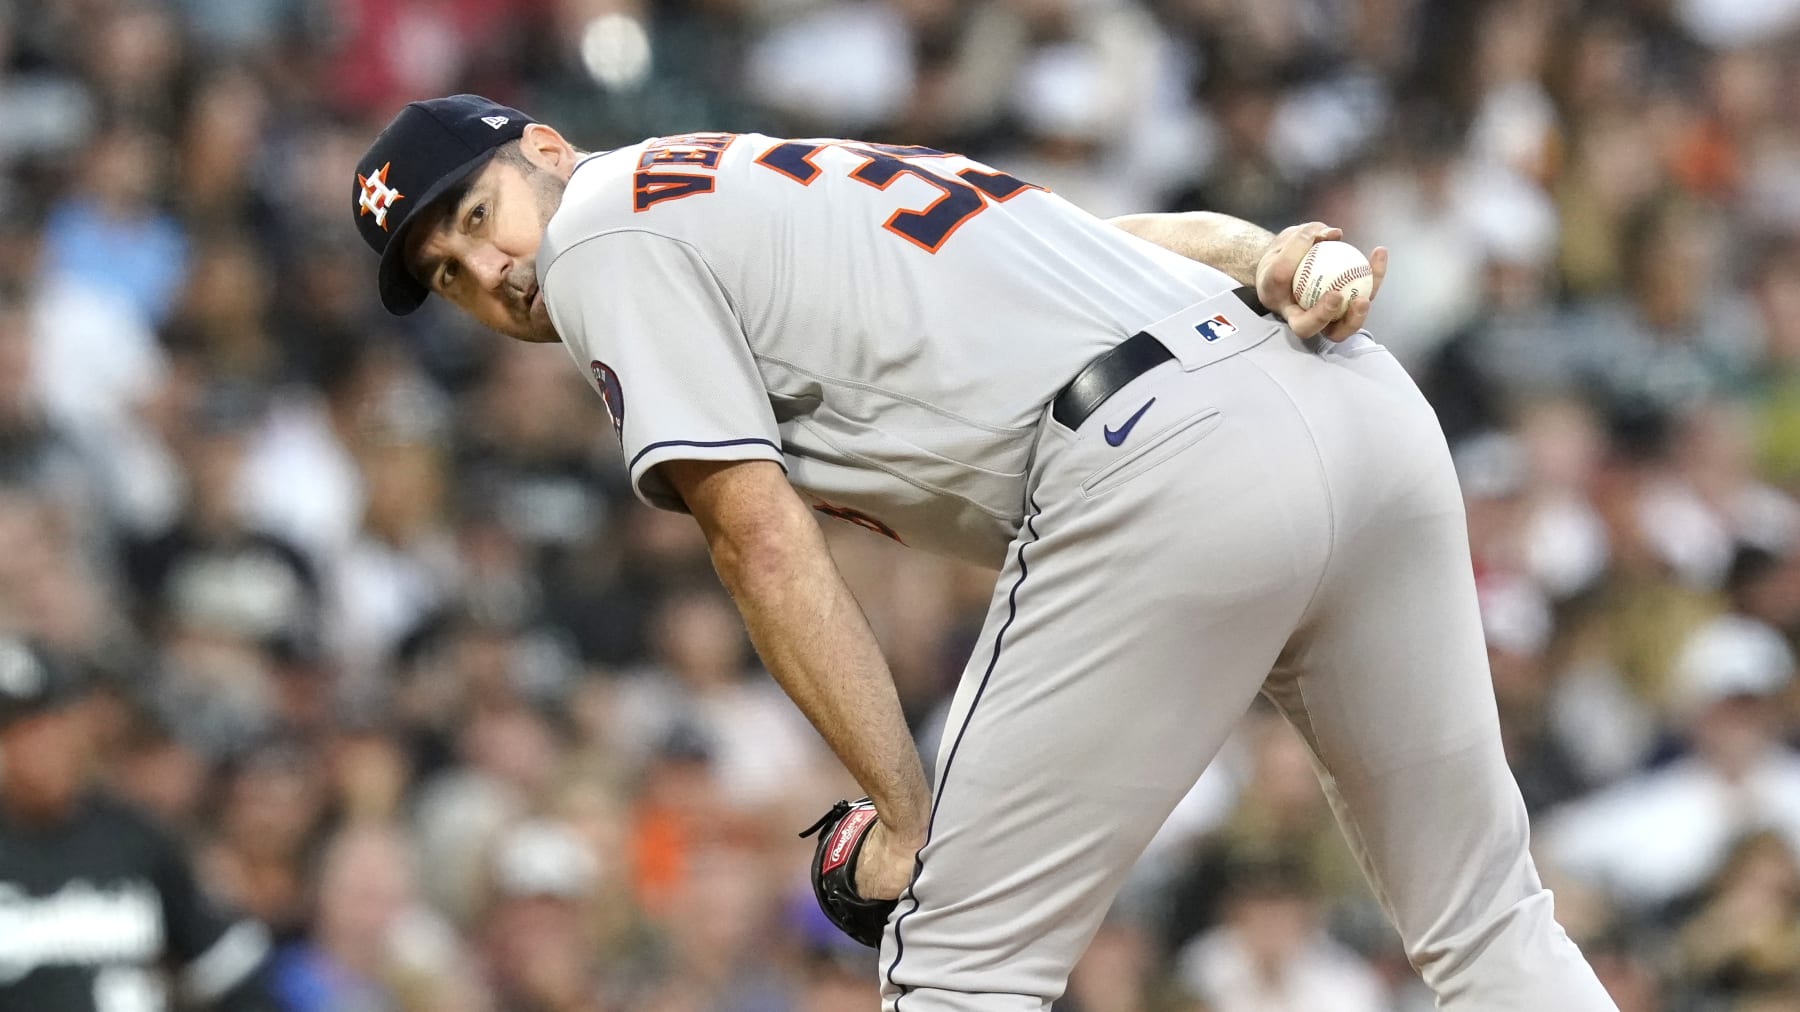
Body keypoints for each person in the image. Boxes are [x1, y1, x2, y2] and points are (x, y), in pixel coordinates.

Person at [352, 95, 1616, 1010]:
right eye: (444, 270)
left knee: (956, 966)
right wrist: (1261, 248)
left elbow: (757, 539)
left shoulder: (597, 236)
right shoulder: (742, 172)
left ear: (547, 152)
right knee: (1488, 923)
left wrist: (910, 825)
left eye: (473, 213)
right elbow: (1073, 241)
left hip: (1163, 461)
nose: (486, 266)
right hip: (1349, 402)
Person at [0, 637, 277, 1012]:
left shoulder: (135, 840)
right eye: (18, 732)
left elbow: (233, 970)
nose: (39, 748)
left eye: (50, 725)